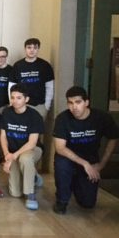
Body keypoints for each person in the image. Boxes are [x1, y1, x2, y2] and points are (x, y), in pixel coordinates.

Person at [53, 86, 119, 214]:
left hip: (91, 158)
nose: (74, 107)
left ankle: (76, 182)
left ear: (86, 102)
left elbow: (113, 138)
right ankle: (62, 200)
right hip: (68, 158)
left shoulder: (101, 118)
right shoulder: (63, 118)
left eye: (78, 102)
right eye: (70, 103)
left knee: (88, 203)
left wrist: (101, 164)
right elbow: (60, 148)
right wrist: (84, 163)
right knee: (62, 165)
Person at [1, 84, 44, 210]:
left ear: (26, 99)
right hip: (13, 152)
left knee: (24, 159)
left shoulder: (34, 116)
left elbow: (32, 143)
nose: (15, 101)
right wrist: (7, 155)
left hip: (32, 150)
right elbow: (3, 136)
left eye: (19, 98)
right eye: (12, 97)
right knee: (15, 193)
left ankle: (30, 194)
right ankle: (33, 176)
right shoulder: (6, 112)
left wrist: (13, 156)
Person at [9, 38, 54, 120]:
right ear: (25, 49)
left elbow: (50, 87)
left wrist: (47, 106)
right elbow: (12, 86)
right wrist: (12, 102)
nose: (32, 50)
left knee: (38, 131)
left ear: (38, 49)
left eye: (35, 48)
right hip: (21, 105)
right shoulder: (18, 65)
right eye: (29, 47)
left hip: (40, 105)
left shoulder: (45, 65)